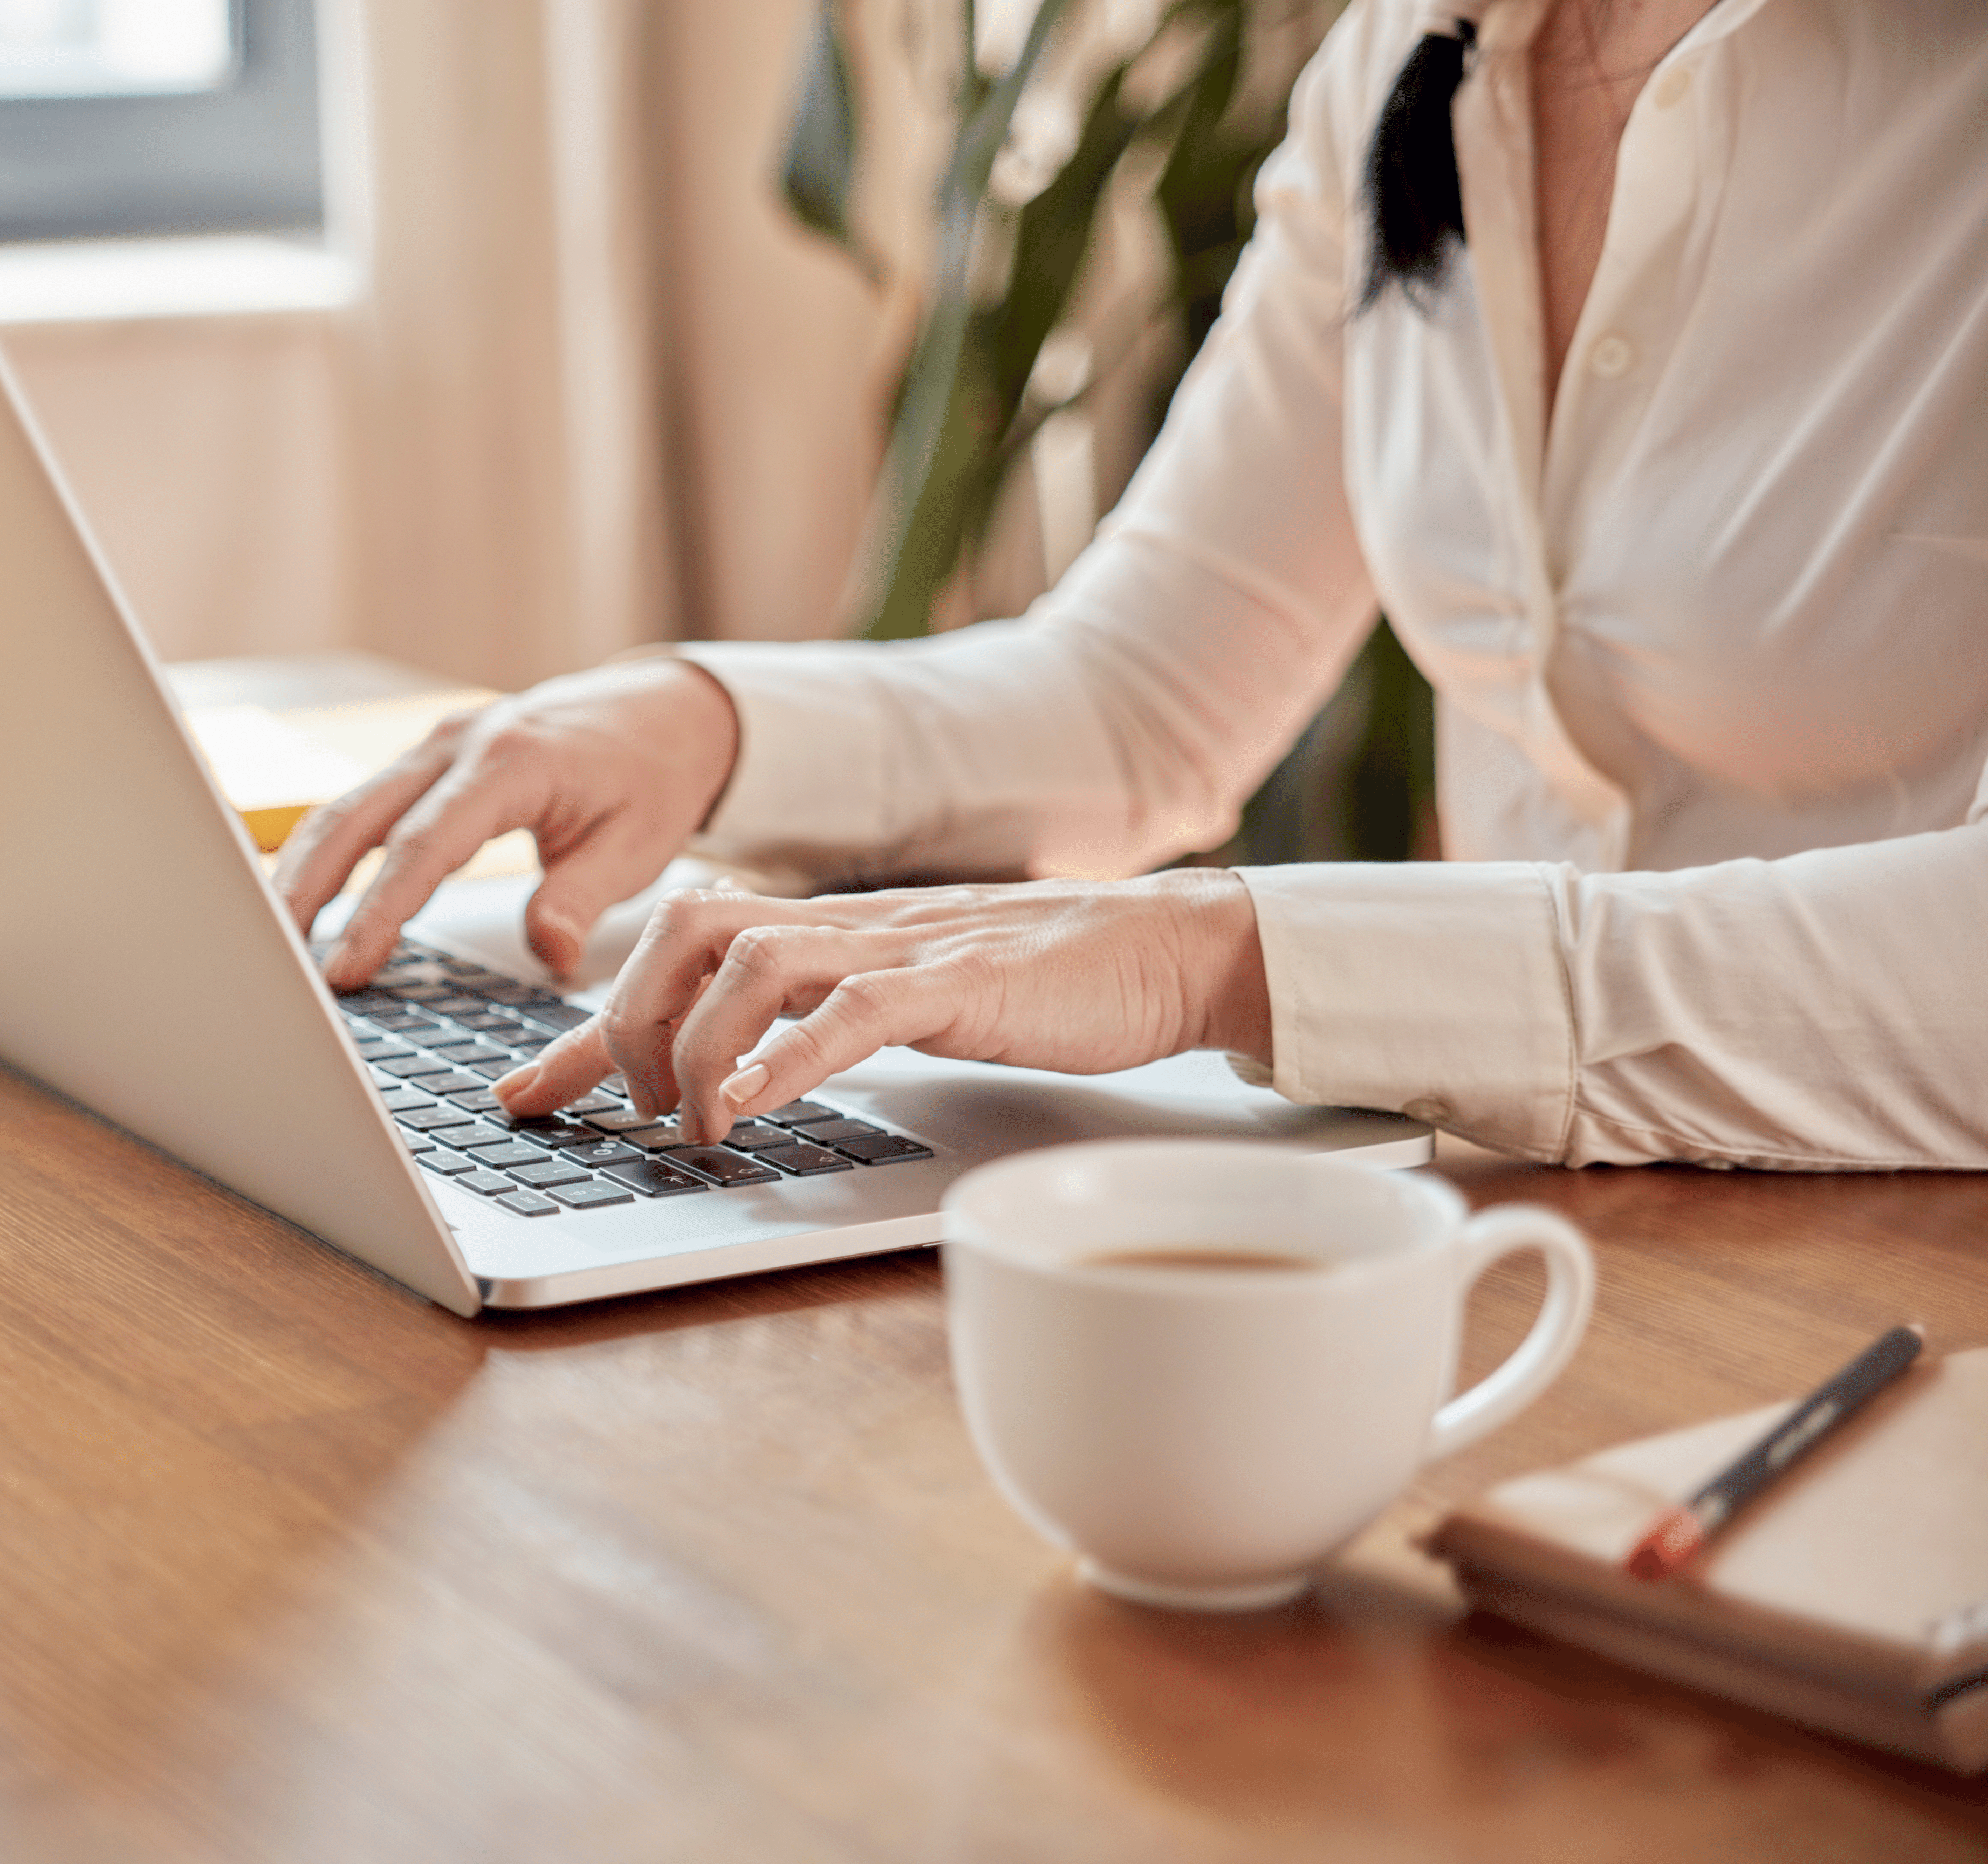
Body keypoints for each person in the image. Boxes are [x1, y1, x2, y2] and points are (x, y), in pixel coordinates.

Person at [276, 0, 1988, 1173]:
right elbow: (1146, 690)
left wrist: (1225, 960)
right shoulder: (1421, 54)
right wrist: (702, 723)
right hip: (1540, 1232)